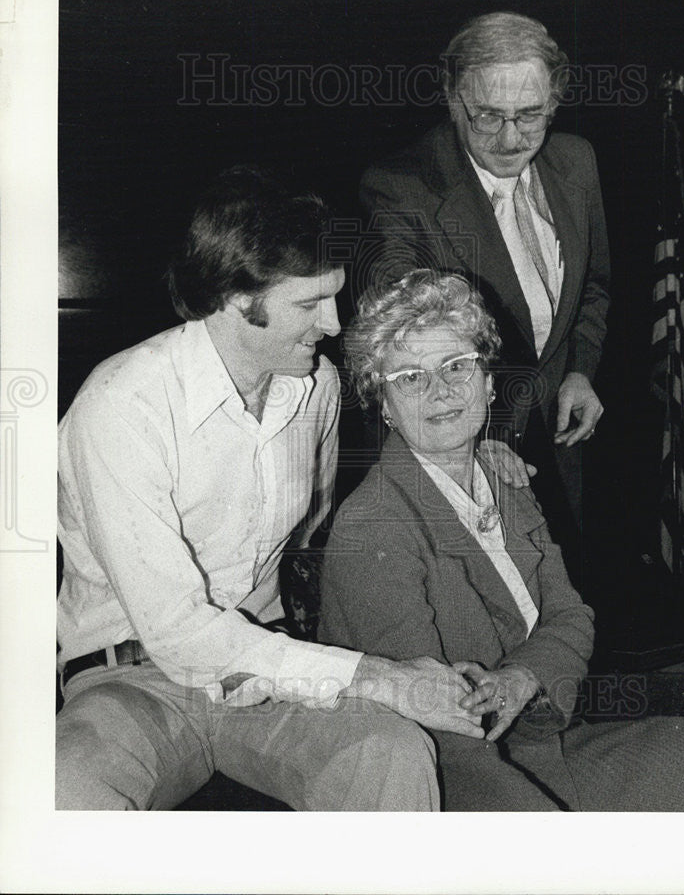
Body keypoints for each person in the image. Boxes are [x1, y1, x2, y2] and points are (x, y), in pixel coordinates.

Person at [56, 166, 493, 811]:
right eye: (310, 304)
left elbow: (325, 514)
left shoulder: (316, 387)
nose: (336, 324)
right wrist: (379, 678)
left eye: (335, 297)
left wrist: (480, 457)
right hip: (134, 680)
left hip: (269, 674)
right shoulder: (122, 406)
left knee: (391, 754)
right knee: (66, 791)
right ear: (236, 300)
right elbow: (177, 633)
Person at [319, 270, 684, 812]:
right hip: (456, 776)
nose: (440, 391)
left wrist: (524, 676)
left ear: (488, 381)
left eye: (457, 366)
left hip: (536, 732)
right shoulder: (373, 524)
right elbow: (429, 720)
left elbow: (572, 616)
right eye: (410, 377)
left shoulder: (504, 480)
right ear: (382, 403)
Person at [360, 12, 610, 562]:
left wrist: (580, 370)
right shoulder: (402, 189)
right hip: (463, 444)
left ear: (555, 103)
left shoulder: (576, 162)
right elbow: (400, 340)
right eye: (488, 117)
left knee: (565, 582)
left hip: (558, 431)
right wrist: (473, 435)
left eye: (530, 117)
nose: (509, 138)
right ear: (454, 100)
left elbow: (593, 285)